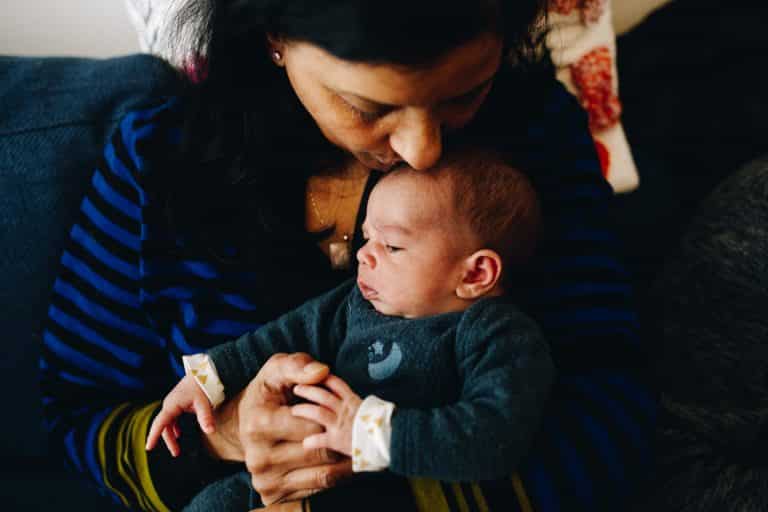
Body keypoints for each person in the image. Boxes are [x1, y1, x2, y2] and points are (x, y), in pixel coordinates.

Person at [40, 1, 655, 511]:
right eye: (369, 109)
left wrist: (375, 476)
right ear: (274, 35)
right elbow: (76, 414)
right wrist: (222, 437)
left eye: (465, 95)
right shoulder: (157, 159)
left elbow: (614, 414)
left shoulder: (538, 137)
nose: (422, 150)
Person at [145, 150, 554, 509]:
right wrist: (208, 378)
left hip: (385, 491)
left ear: (476, 273)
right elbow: (282, 336)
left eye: (391, 246)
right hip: (287, 473)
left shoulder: (495, 333)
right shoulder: (356, 302)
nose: (363, 255)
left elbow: (493, 435)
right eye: (366, 238)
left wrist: (370, 431)